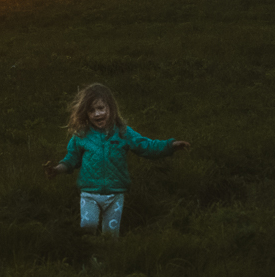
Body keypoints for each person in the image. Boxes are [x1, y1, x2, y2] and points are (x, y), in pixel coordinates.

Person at [44, 84, 190, 237]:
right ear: (85, 113)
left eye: (101, 108)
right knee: (88, 228)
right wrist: (57, 169)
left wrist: (170, 146)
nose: (97, 114)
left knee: (110, 235)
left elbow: (146, 146)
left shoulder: (123, 132)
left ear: (111, 108)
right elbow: (71, 158)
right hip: (89, 194)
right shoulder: (82, 135)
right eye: (91, 110)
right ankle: (87, 259)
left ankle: (104, 260)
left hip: (115, 195)